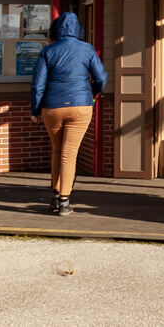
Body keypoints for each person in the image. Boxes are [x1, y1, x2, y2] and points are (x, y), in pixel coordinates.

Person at [29, 12, 107, 217]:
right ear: (78, 30)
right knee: (69, 153)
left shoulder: (48, 51)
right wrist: (92, 93)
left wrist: (35, 110)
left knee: (57, 150)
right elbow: (101, 77)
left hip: (52, 106)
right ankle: (64, 200)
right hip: (81, 104)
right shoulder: (87, 49)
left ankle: (55, 194)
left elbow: (38, 85)